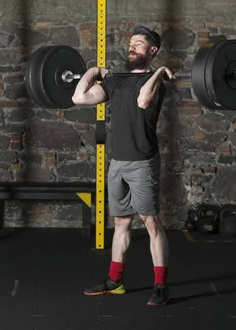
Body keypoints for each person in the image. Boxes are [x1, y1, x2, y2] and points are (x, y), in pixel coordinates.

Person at [71, 25, 175, 306]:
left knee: (151, 223)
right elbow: (79, 97)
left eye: (139, 44)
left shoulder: (155, 84)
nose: (132, 47)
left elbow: (143, 101)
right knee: (120, 223)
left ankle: (161, 285)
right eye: (131, 43)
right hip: (117, 163)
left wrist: (159, 71)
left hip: (143, 162)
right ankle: (115, 281)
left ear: (151, 51)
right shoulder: (116, 82)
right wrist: (94, 71)